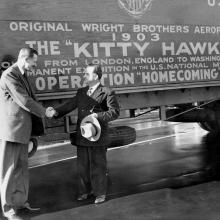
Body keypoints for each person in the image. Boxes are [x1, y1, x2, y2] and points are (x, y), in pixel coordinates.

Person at [0, 47, 55, 220]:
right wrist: (44, 112)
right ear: (24, 58)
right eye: (33, 62)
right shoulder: (9, 75)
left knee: (21, 168)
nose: (34, 65)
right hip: (13, 130)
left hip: (23, 129)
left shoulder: (22, 75)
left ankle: (20, 203)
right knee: (9, 170)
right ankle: (8, 209)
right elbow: (24, 100)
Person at [52, 64, 120, 204]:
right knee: (82, 165)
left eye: (87, 74)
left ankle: (100, 193)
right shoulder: (81, 91)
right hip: (83, 133)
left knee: (98, 165)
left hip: (98, 134)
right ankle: (84, 191)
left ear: (95, 76)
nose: (84, 76)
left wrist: (98, 115)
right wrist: (56, 112)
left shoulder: (107, 92)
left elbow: (115, 112)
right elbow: (69, 105)